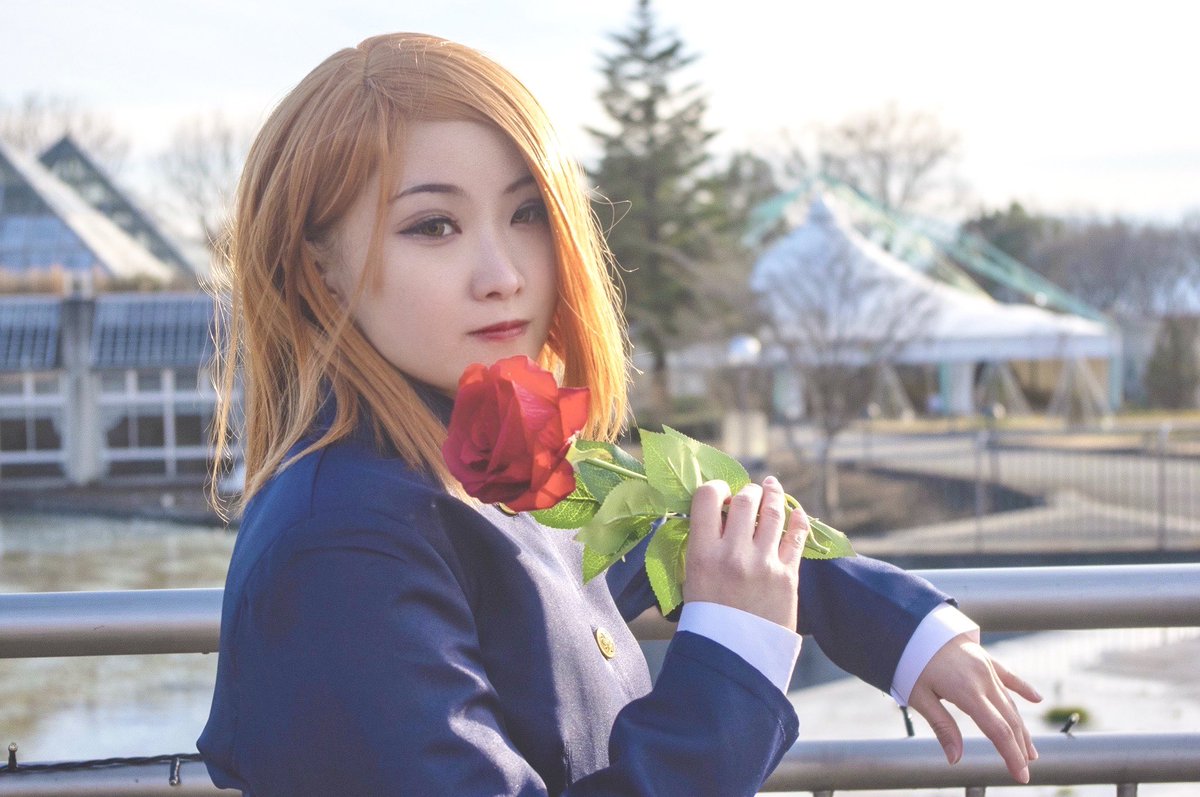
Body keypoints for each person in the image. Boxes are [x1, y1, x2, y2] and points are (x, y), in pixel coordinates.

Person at [198, 32, 1040, 796]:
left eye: (529, 212)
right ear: (318, 267)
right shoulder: (340, 539)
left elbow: (686, 534)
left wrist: (906, 630)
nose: (505, 273)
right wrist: (734, 654)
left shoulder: (472, 459)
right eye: (435, 225)